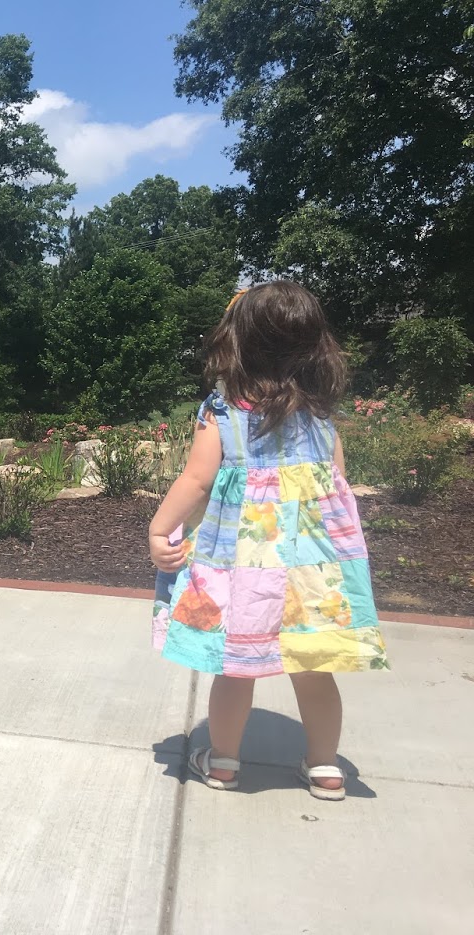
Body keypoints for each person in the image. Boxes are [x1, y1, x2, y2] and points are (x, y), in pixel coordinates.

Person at [149, 281, 388, 801]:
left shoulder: (224, 410)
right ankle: (325, 768)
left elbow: (196, 480)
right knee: (314, 665)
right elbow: (336, 481)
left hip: (245, 559)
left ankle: (226, 763)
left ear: (238, 342)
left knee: (235, 665)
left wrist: (157, 528)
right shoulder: (321, 412)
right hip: (314, 563)